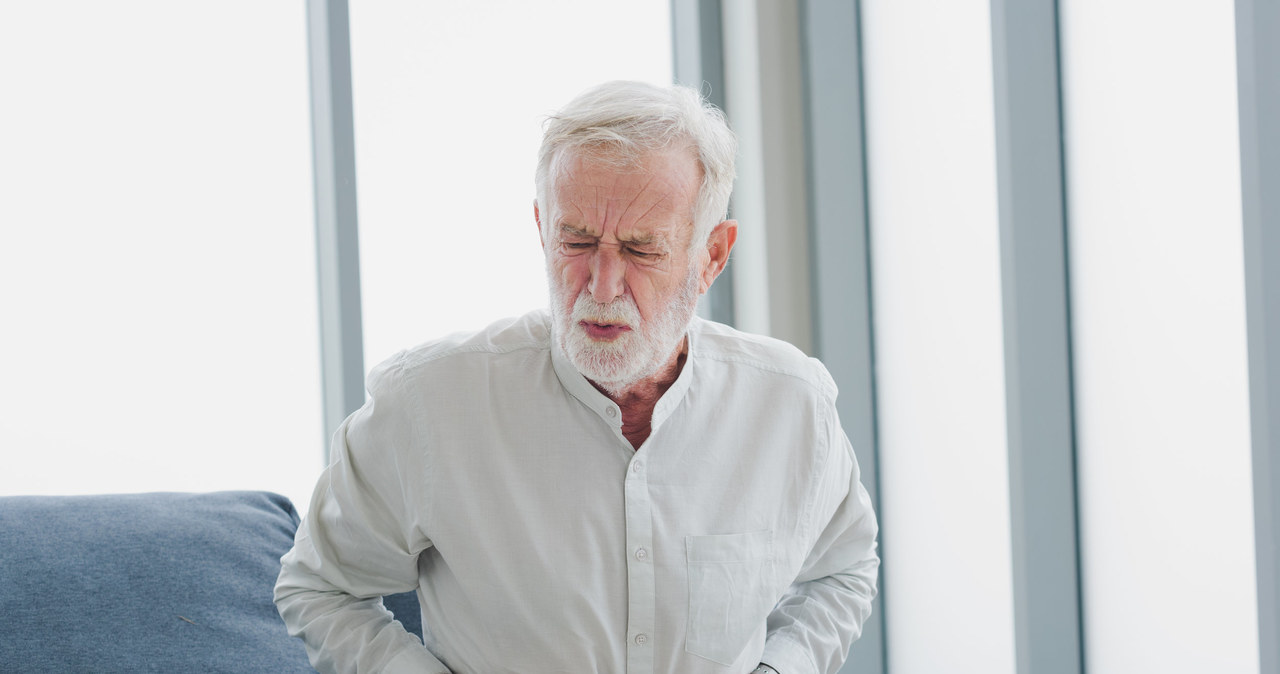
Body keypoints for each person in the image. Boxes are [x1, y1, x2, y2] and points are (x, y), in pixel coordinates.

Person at [274, 80, 879, 674]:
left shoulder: (790, 404)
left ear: (712, 256)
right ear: (543, 228)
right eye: (578, 240)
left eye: (642, 250)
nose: (601, 285)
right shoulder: (428, 404)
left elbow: (844, 569)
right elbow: (320, 587)